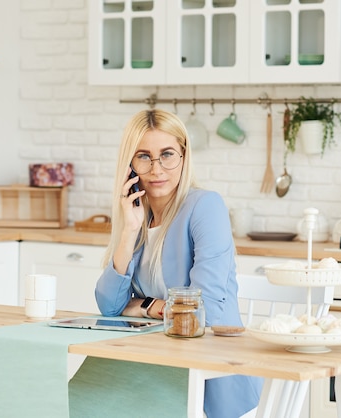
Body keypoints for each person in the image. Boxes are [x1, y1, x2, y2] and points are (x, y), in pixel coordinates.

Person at [95, 108, 262, 418]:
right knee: (89, 393)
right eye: (144, 156)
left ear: (184, 156)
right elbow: (108, 306)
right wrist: (129, 230)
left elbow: (204, 310)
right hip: (158, 365)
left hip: (211, 378)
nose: (157, 168)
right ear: (130, 165)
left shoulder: (205, 206)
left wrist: (144, 305)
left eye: (167, 154)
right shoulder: (137, 218)